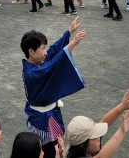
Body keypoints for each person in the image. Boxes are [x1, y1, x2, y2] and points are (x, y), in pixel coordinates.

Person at [21, 16, 87, 158]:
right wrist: (71, 44)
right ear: (31, 51)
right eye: (42, 48)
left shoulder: (36, 64)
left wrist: (69, 32)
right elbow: (50, 66)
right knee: (47, 151)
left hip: (49, 114)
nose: (46, 52)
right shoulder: (32, 73)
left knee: (56, 146)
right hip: (41, 120)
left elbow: (52, 51)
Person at [63, 90, 129, 158]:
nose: (99, 138)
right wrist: (122, 131)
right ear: (82, 144)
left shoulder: (75, 146)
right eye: (95, 136)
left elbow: (104, 122)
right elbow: (101, 157)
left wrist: (121, 106)